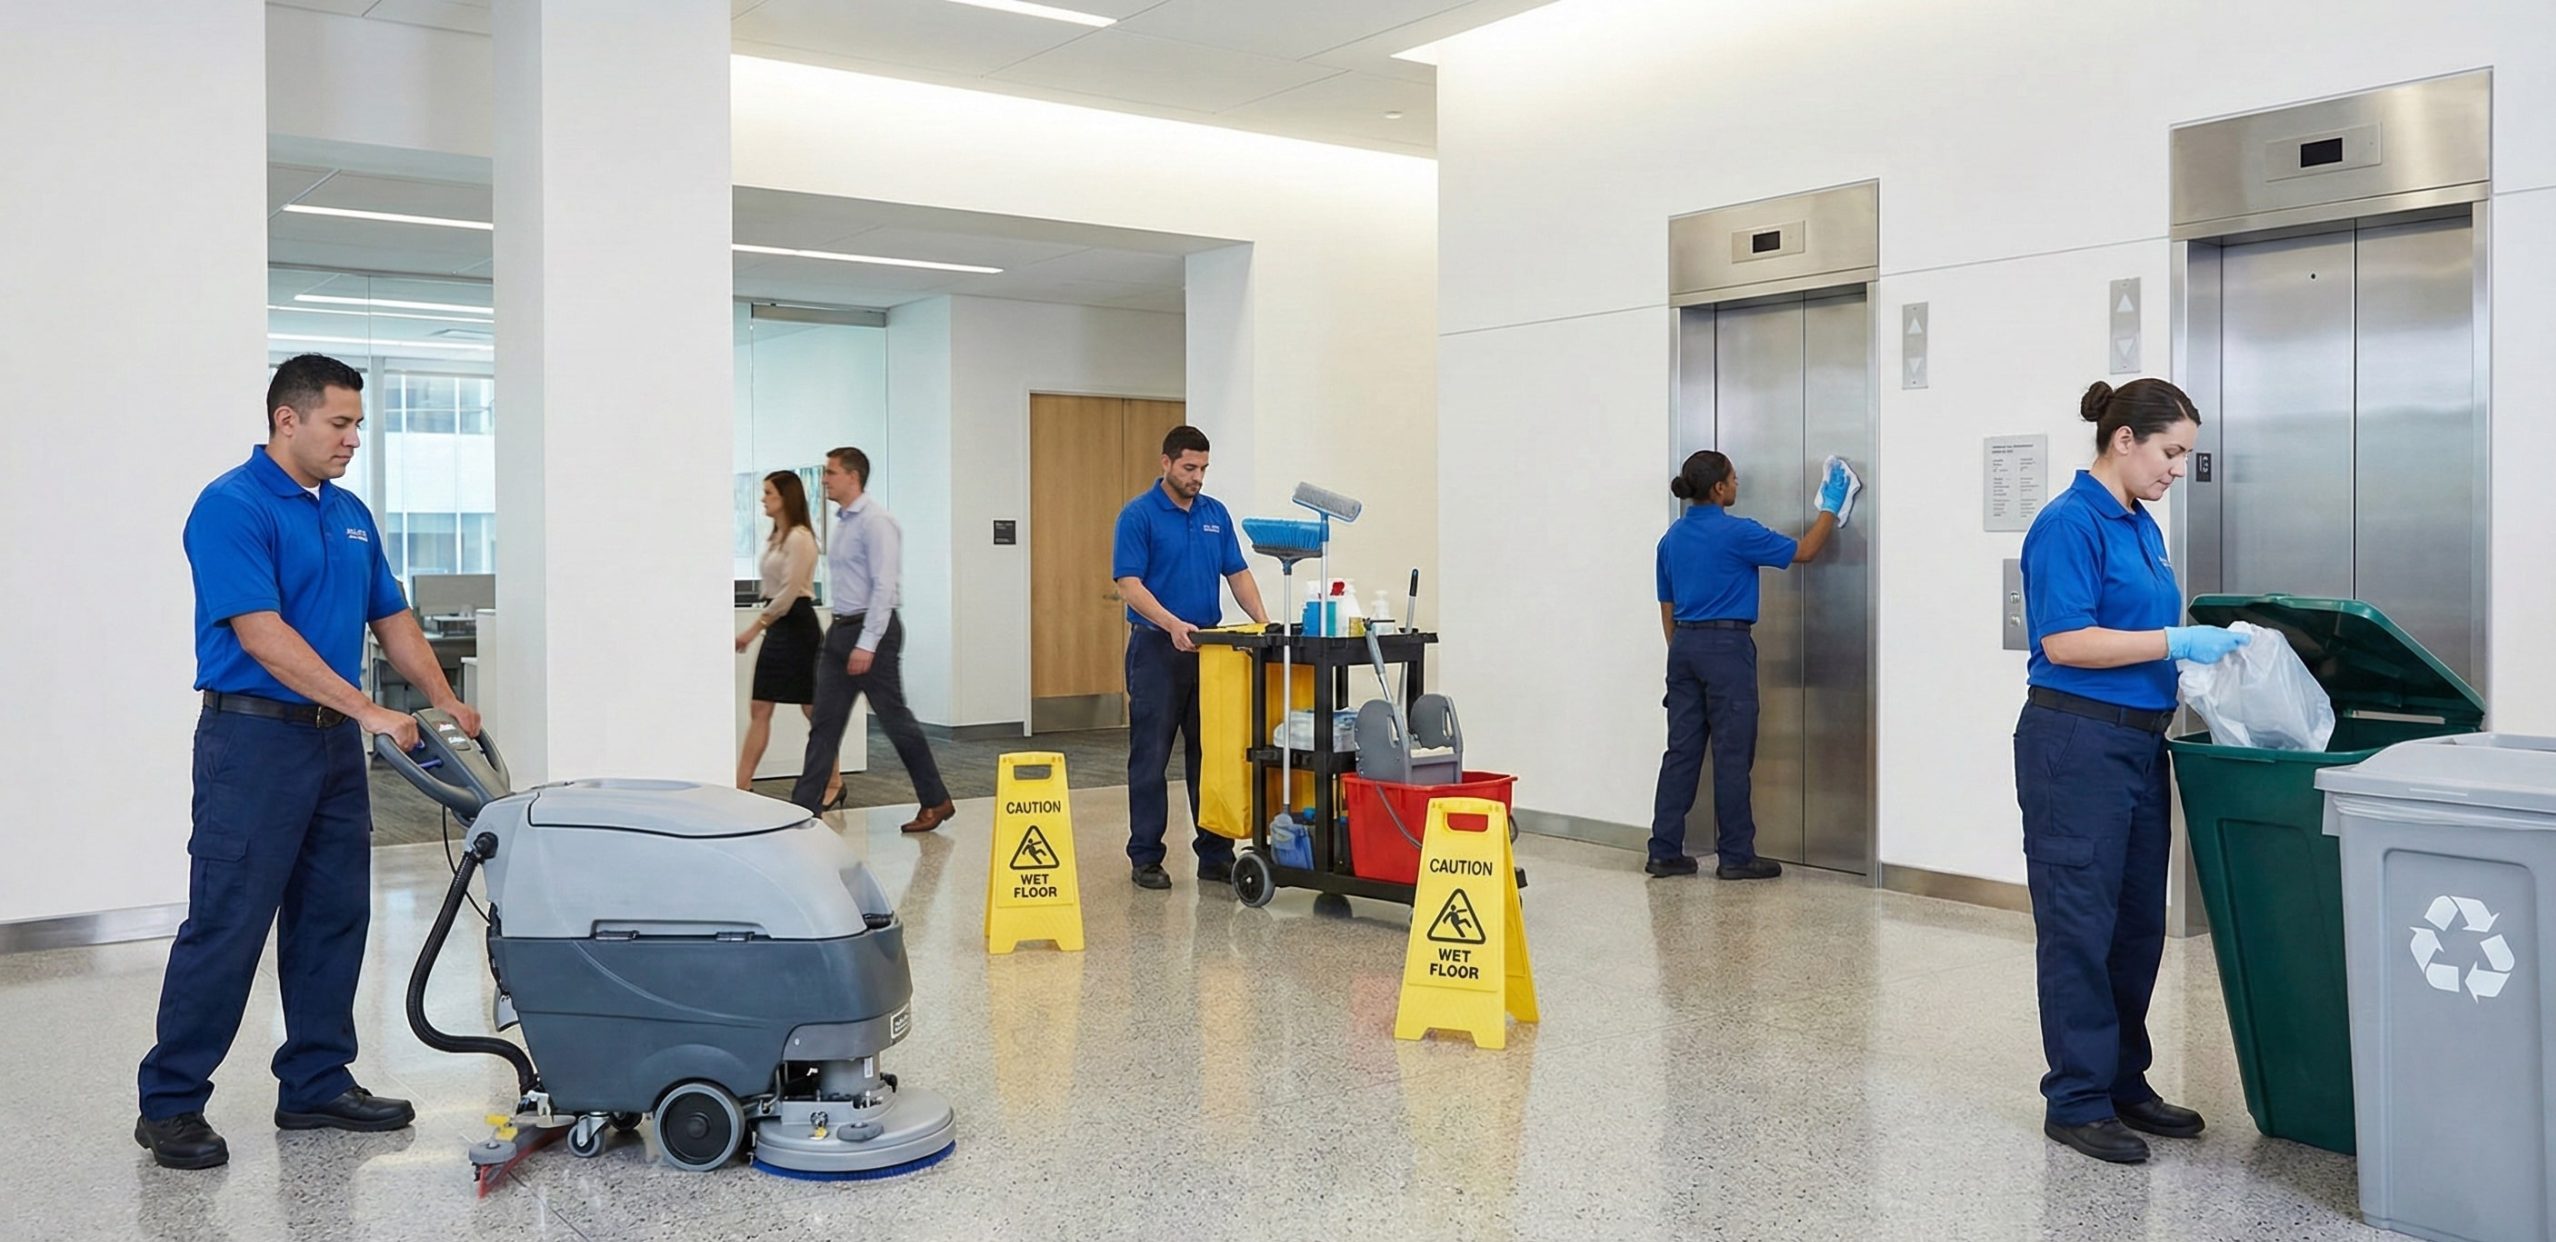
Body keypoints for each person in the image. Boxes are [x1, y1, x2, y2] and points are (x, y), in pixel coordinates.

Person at [135, 354, 480, 1170]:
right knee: (229, 920)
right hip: (251, 743)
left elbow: (391, 618)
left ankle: (316, 1081)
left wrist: (442, 703)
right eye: (340, 422)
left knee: (333, 914)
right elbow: (260, 635)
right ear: (287, 419)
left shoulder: (351, 513)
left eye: (359, 424)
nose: (354, 438)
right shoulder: (232, 506)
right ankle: (172, 1103)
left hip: (330, 749)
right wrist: (369, 709)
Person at [2018, 378, 2248, 1165]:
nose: (2178, 469)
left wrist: (2186, 664)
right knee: (2080, 924)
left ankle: (2123, 1082)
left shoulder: (2141, 527)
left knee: (2136, 924)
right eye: (2171, 451)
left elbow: (2135, 633)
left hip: (2139, 744)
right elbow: (2067, 643)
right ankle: (2076, 1100)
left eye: (2185, 454)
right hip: (2074, 745)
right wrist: (2176, 643)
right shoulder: (2068, 523)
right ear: (2125, 440)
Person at [1644, 450, 1857, 880]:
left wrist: (1681, 653)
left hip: (1683, 646)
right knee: (1732, 753)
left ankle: (1664, 851)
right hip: (1727, 647)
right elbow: (1805, 551)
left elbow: (1666, 606)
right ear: (1719, 489)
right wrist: (1831, 507)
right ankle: (1736, 856)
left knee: (1681, 753)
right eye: (1734, 479)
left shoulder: (1671, 539)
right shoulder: (1736, 533)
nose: (1738, 484)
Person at [1112, 425, 1270, 890]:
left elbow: (1237, 573)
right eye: (1188, 468)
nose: (1197, 477)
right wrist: (1171, 623)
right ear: (1165, 463)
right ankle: (1146, 857)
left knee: (1212, 754)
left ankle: (1215, 853)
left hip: (1210, 651)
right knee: (1151, 755)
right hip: (1156, 650)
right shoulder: (1138, 516)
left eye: (1203, 469)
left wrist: (1263, 622)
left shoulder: (1215, 515)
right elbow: (1129, 584)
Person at [791, 447, 954, 833]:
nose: (825, 479)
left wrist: (867, 643)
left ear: (853, 476)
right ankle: (803, 811)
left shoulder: (876, 522)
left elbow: (884, 587)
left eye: (831, 473)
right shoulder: (844, 522)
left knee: (896, 721)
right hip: (841, 629)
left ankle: (936, 800)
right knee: (824, 724)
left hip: (872, 633)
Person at [735, 470, 839, 806]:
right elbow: (773, 592)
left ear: (786, 498)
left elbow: (791, 592)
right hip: (778, 622)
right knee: (760, 705)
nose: (764, 499)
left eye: (769, 493)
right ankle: (742, 784)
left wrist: (755, 627)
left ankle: (834, 781)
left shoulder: (800, 537)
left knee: (812, 709)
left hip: (796, 625)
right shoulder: (775, 538)